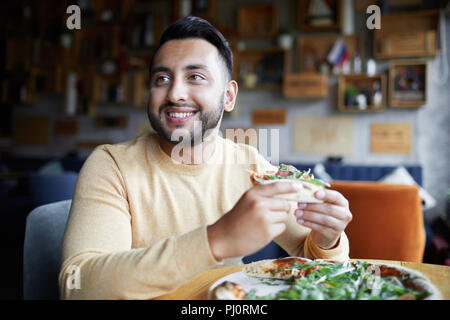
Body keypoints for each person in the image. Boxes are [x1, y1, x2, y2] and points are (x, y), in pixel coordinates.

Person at [59, 16, 352, 299]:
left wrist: (327, 240)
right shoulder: (111, 165)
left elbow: (323, 270)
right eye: (162, 78)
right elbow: (78, 287)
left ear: (228, 96)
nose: (174, 93)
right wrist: (215, 240)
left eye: (195, 77)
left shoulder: (249, 165)